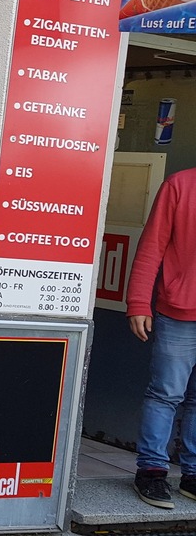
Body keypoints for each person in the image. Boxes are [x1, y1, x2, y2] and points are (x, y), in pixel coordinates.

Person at [127, 166, 196, 509]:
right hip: (179, 312)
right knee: (166, 394)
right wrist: (139, 300)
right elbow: (152, 246)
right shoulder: (180, 185)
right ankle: (152, 471)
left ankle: (192, 474)